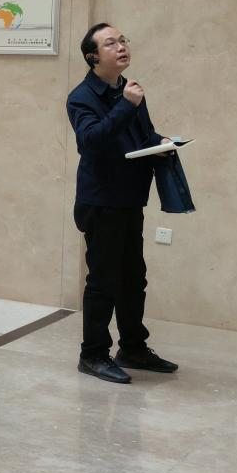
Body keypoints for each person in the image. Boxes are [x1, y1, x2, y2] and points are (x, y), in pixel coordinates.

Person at [67, 23, 179, 384]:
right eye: (111, 43)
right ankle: (92, 354)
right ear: (93, 57)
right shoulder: (82, 97)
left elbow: (141, 135)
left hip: (130, 198)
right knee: (103, 281)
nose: (121, 47)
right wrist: (126, 106)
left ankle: (132, 347)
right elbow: (91, 141)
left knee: (133, 278)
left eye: (123, 40)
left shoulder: (130, 89)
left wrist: (160, 143)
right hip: (101, 201)